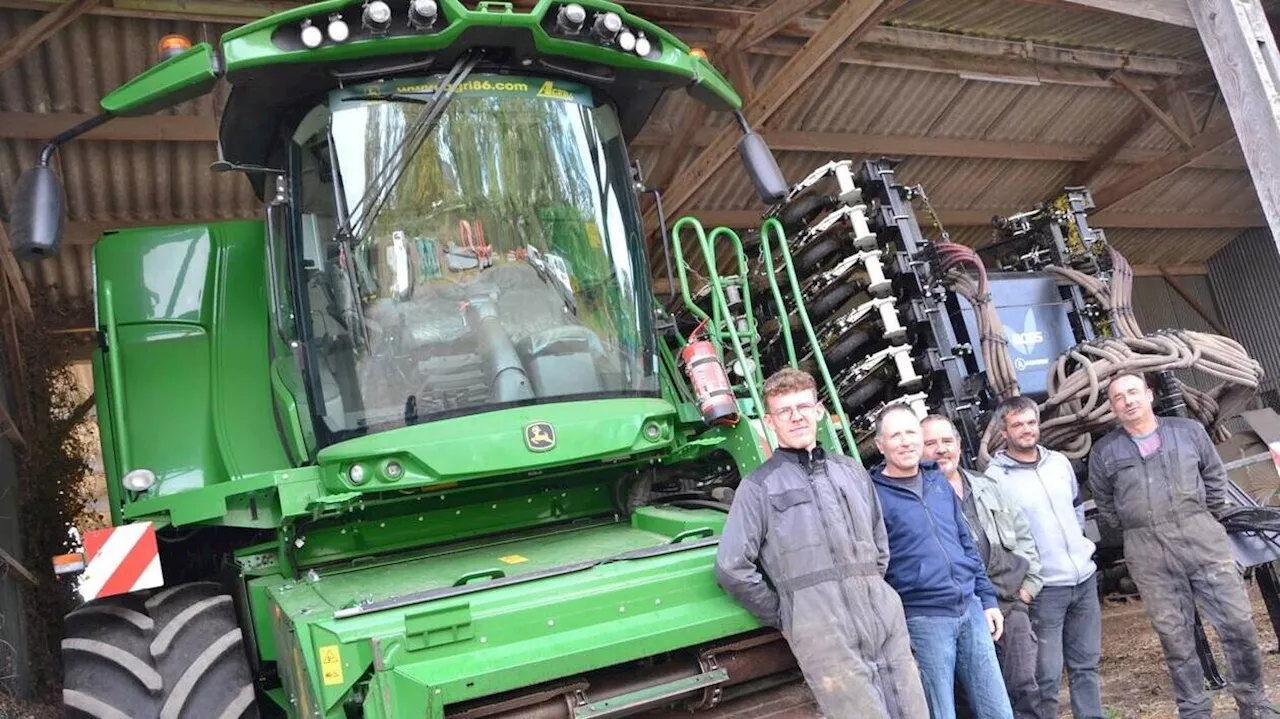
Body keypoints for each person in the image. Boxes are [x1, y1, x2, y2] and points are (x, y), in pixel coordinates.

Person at [715, 368, 929, 718]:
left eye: (803, 407)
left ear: (818, 411)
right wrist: (788, 613)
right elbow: (731, 567)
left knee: (914, 711)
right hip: (821, 631)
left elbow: (879, 543)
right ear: (770, 421)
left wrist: (873, 589)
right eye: (785, 411)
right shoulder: (758, 488)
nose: (796, 417)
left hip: (883, 616)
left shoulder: (851, 471)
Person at [1088, 372, 1279, 719]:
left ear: (1149, 394)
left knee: (1237, 623)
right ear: (1112, 406)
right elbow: (1106, 507)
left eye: (1133, 392)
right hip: (1147, 551)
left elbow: (1214, 477)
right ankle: (1193, 709)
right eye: (1118, 397)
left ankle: (1253, 703)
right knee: (1175, 638)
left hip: (1202, 540)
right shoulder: (1105, 451)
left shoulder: (1188, 432)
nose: (1128, 401)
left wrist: (1200, 516)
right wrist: (1141, 525)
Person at [870, 403, 1014, 719]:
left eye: (910, 433)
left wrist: (987, 599)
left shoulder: (938, 483)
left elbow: (966, 544)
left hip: (970, 610)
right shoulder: (873, 497)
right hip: (924, 620)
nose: (905, 442)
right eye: (895, 435)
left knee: (997, 709)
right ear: (880, 445)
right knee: (940, 712)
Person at [984, 396, 1104, 719]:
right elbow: (1001, 539)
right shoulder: (995, 480)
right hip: (1044, 589)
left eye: (1031, 422)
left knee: (1086, 666)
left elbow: (1077, 512)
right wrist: (1025, 586)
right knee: (1045, 677)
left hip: (1083, 579)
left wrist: (1078, 550)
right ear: (1003, 431)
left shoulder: (1060, 464)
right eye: (1018, 425)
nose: (1027, 430)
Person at [921, 415, 1043, 719]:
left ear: (959, 445)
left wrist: (1027, 590)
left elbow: (1024, 536)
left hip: (1008, 604)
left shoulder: (987, 486)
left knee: (1024, 687)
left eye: (947, 441)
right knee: (971, 699)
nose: (940, 449)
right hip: (960, 611)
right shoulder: (919, 499)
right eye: (930, 443)